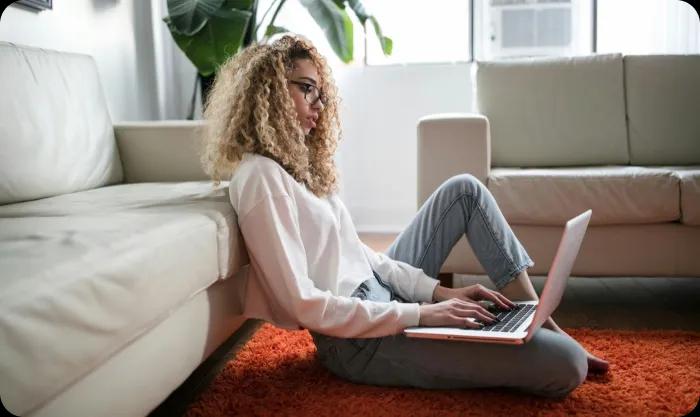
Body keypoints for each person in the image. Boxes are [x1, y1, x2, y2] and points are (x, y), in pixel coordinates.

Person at [200, 34, 609, 399]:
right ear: (268, 91)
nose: (318, 107)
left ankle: (536, 317)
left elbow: (362, 256)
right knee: (567, 365)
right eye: (307, 89)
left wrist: (437, 294)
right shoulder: (260, 177)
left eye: (320, 94)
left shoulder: (297, 166)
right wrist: (420, 314)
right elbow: (302, 303)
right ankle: (542, 335)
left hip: (381, 296)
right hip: (357, 341)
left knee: (463, 190)